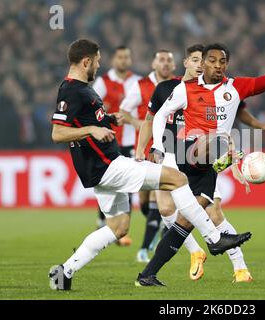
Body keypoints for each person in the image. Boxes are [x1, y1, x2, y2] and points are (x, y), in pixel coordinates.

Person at [48, 39, 252, 290]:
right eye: (98, 60)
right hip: (109, 167)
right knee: (178, 179)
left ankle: (64, 273)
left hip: (101, 170)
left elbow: (85, 122)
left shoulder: (82, 90)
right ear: (86, 61)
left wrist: (107, 120)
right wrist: (93, 129)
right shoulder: (72, 90)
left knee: (118, 227)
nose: (100, 65)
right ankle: (214, 239)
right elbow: (58, 133)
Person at [135, 35, 265, 286]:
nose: (218, 65)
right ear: (202, 64)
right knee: (217, 138)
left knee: (186, 222)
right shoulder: (185, 89)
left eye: (223, 61)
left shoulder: (236, 88)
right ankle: (216, 240)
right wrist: (158, 146)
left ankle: (148, 274)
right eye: (212, 60)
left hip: (207, 168)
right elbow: (161, 115)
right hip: (188, 153)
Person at [119, 50, 176, 262]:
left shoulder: (178, 86)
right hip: (143, 146)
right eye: (161, 60)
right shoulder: (141, 85)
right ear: (154, 63)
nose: (165, 64)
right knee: (143, 199)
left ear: (174, 65)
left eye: (169, 60)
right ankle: (159, 222)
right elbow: (123, 111)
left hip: (167, 147)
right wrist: (139, 124)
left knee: (156, 192)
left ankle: (144, 249)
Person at [91, 45, 142, 247]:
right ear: (114, 59)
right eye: (120, 57)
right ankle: (103, 221)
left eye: (126, 57)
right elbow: (92, 106)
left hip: (129, 140)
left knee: (128, 184)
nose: (123, 60)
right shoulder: (103, 82)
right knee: (107, 183)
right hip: (108, 141)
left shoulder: (137, 81)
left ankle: (120, 229)